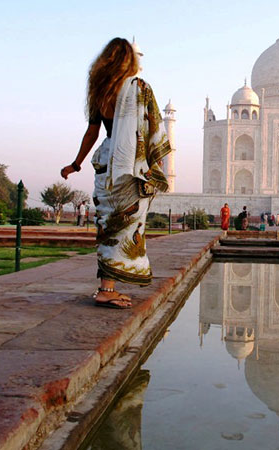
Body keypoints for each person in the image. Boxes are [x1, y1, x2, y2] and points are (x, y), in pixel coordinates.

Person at [60, 38, 172, 309]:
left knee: (109, 227)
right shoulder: (139, 88)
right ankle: (106, 289)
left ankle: (106, 288)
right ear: (130, 61)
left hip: (108, 163)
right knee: (124, 228)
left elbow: (92, 132)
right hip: (130, 166)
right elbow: (153, 127)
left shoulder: (100, 91)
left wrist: (75, 164)